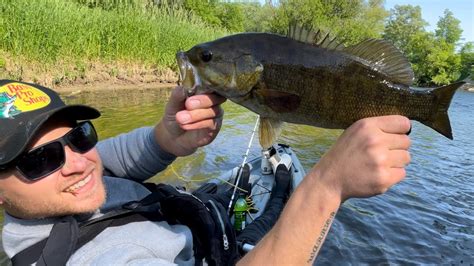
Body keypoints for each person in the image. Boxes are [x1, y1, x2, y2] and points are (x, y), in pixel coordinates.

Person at [0, 79, 411, 265]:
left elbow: (116, 156)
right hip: (230, 253)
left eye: (80, 136)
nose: (78, 162)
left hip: (202, 220)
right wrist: (327, 186)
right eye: (40, 159)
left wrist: (169, 135)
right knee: (288, 193)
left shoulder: (61, 185)